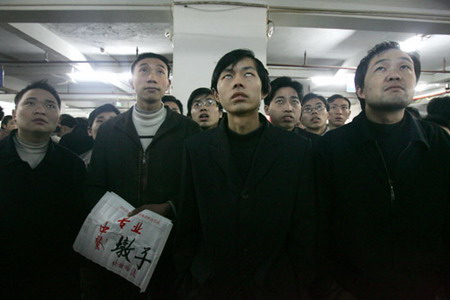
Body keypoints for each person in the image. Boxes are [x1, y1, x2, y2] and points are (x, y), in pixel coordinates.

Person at [175, 49, 315, 299]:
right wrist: (190, 279)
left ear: (264, 91)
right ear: (217, 95)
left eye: (248, 74)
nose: (238, 81)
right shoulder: (196, 148)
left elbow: (305, 223)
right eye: (227, 76)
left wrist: (299, 281)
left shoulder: (296, 148)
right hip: (212, 283)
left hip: (276, 283)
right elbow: (189, 221)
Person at [316, 41, 450, 299]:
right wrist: (331, 290)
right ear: (360, 89)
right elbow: (317, 225)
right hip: (352, 289)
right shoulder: (331, 148)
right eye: (381, 68)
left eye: (405, 67)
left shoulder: (439, 144)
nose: (395, 74)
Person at [84, 52, 200, 299]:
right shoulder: (109, 130)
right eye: (144, 71)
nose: (152, 77)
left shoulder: (188, 130)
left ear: (168, 83)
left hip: (169, 243)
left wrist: (169, 207)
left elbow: (197, 185)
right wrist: (114, 218)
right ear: (131, 81)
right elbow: (95, 183)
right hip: (117, 239)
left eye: (160, 72)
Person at [0, 80, 86, 298]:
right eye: (30, 103)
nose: (40, 110)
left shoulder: (72, 166)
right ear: (14, 114)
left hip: (55, 278)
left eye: (50, 106)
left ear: (57, 117)